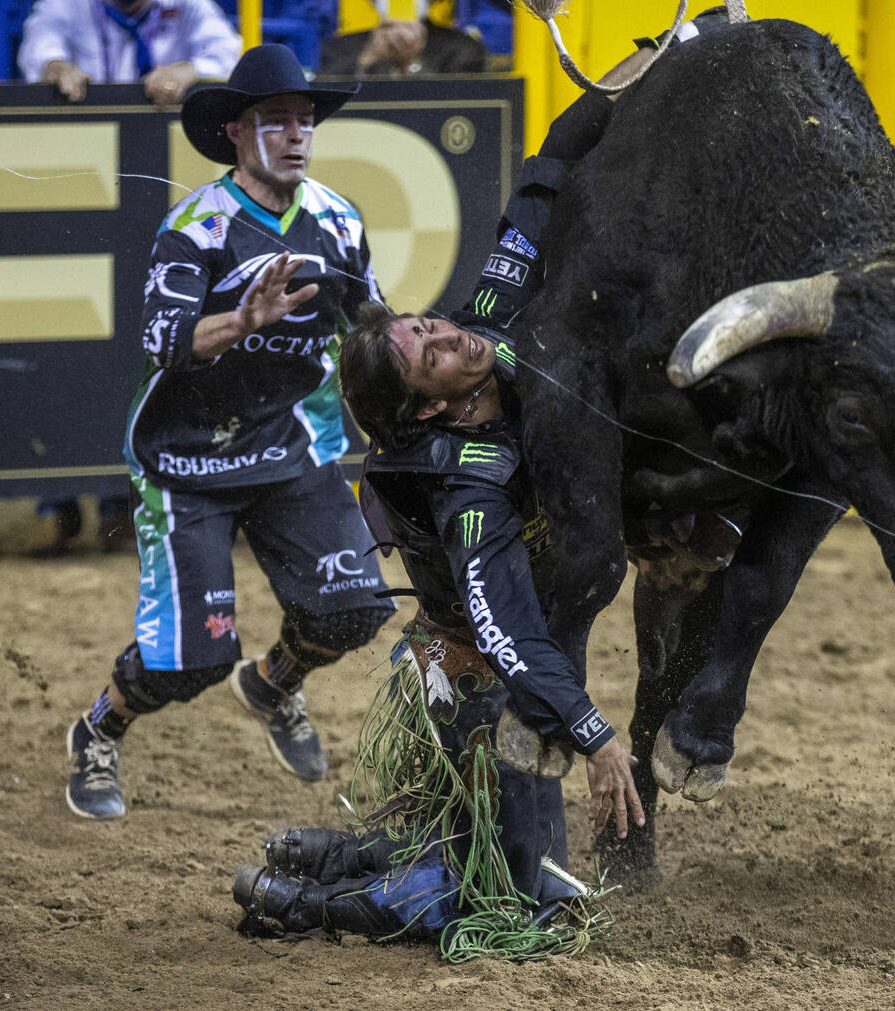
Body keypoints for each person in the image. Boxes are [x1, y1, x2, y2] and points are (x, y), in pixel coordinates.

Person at [231, 53, 659, 954]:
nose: (450, 334)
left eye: (428, 324)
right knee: (524, 900)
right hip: (471, 675)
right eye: (431, 351)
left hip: (487, 658)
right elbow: (504, 630)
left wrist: (667, 56)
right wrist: (594, 737)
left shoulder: (492, 317)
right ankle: (316, 899)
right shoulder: (469, 484)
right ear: (430, 403)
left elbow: (541, 180)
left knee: (502, 863)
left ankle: (329, 856)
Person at [64, 43, 396, 821]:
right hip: (184, 459)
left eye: (304, 120)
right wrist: (240, 320)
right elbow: (160, 340)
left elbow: (371, 325)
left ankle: (274, 681)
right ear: (238, 135)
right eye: (275, 121)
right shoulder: (197, 226)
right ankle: (96, 730)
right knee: (194, 660)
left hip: (289, 445)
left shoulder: (338, 220)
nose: (295, 134)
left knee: (351, 610)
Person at [17, 0, 241, 105]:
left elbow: (227, 51)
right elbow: (40, 41)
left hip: (162, 122)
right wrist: (54, 65)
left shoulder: (188, 5)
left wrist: (191, 70)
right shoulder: (66, 4)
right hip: (89, 129)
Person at [318, 1, 488, 78]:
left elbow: (459, 108)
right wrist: (366, 61)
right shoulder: (339, 47)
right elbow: (326, 103)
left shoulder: (464, 49)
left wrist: (412, 65)